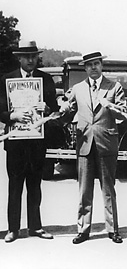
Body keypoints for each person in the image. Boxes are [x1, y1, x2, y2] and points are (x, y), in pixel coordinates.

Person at [60, 51, 127, 244]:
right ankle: (83, 229)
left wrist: (113, 107)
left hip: (106, 143)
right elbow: (67, 110)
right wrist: (61, 109)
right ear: (85, 68)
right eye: (89, 65)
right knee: (84, 190)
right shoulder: (78, 88)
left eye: (96, 64)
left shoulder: (114, 87)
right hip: (84, 144)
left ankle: (112, 229)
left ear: (101, 65)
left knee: (108, 189)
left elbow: (124, 114)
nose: (93, 68)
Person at [0, 40, 59, 243]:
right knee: (15, 186)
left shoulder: (46, 79)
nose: (31, 60)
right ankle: (13, 229)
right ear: (19, 58)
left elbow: (55, 110)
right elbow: (0, 111)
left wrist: (48, 109)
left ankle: (35, 226)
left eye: (34, 56)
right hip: (15, 142)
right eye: (27, 57)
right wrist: (12, 116)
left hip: (36, 142)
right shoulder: (7, 80)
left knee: (35, 185)